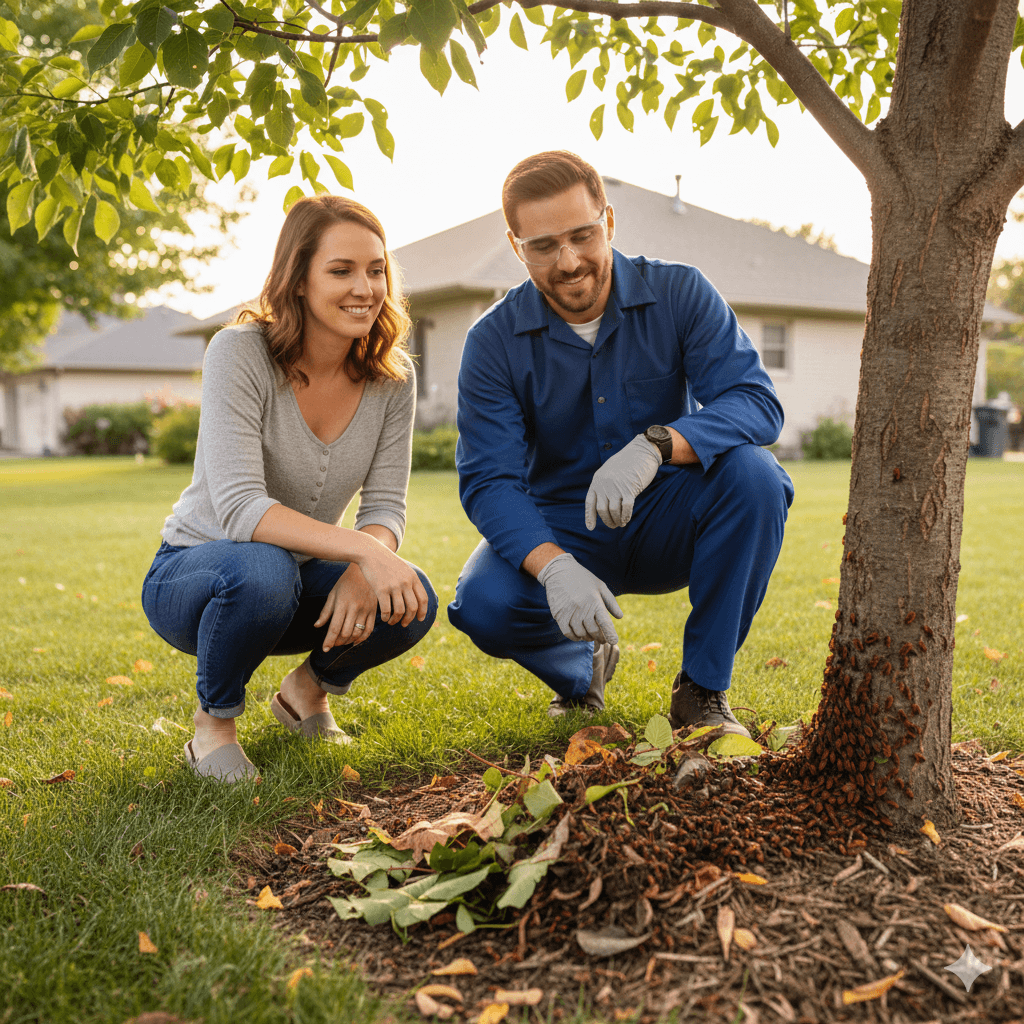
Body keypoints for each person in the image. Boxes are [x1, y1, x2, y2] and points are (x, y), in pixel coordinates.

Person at [448, 152, 793, 736]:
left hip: (668, 513)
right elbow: (489, 480)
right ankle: (581, 671)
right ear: (516, 247)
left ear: (608, 222)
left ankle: (702, 692)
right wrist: (554, 567)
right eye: (543, 246)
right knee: (483, 603)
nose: (569, 261)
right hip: (563, 527)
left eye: (582, 235)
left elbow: (756, 402)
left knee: (756, 477)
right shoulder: (493, 341)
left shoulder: (680, 292)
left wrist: (656, 445)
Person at [142, 196, 437, 782]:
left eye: (376, 270)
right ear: (297, 279)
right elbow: (241, 509)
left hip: (295, 577)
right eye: (341, 270)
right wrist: (362, 551)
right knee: (263, 569)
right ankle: (213, 727)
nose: (365, 287)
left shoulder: (390, 378)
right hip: (201, 577)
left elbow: (384, 505)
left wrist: (364, 568)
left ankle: (307, 692)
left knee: (408, 599)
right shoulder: (239, 351)